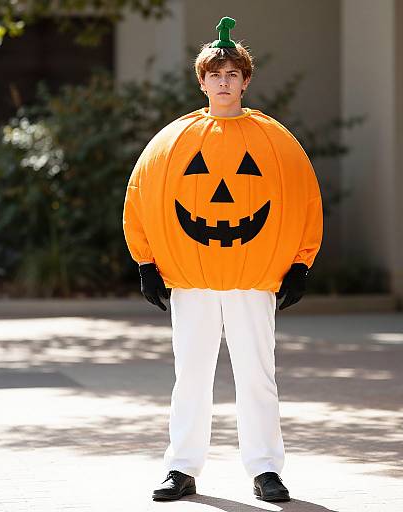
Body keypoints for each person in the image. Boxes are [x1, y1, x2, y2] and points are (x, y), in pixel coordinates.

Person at [123, 16, 323, 502]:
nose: (224, 82)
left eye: (233, 74)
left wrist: (300, 263)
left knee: (257, 374)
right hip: (191, 277)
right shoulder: (175, 142)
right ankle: (182, 467)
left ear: (246, 80)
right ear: (202, 80)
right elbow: (142, 197)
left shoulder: (273, 140)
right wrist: (146, 262)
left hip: (254, 277)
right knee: (190, 375)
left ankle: (264, 469)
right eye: (215, 74)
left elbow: (304, 199)